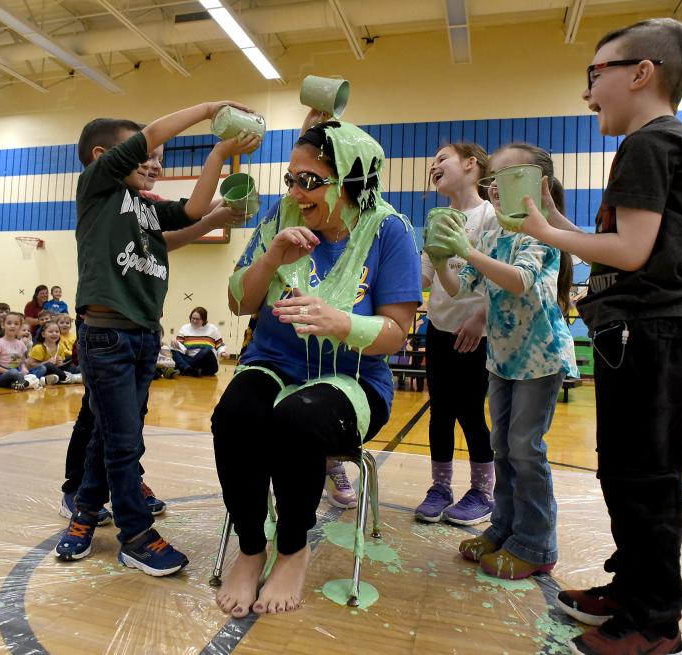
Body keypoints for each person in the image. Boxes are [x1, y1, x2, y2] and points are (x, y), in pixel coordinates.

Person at [513, 19, 682, 655]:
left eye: (596, 74)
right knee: (626, 475)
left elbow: (628, 250)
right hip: (639, 334)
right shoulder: (655, 144)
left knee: (646, 480)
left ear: (641, 73)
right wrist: (556, 220)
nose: (588, 91)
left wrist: (545, 233)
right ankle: (632, 591)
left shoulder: (651, 144)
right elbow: (618, 245)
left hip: (654, 334)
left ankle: (654, 623)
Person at [212, 118, 422, 616]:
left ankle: (291, 548)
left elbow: (396, 333)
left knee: (298, 420)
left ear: (351, 183)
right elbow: (240, 302)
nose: (295, 192)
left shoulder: (390, 232)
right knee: (235, 416)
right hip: (273, 363)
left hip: (354, 380)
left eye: (309, 181)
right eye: (291, 178)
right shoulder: (282, 216)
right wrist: (272, 258)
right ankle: (249, 547)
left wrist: (341, 322)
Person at [52, 101, 260, 577]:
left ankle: (84, 514)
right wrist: (210, 110)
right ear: (106, 156)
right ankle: (135, 534)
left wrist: (222, 154)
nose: (156, 162)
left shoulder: (143, 209)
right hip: (106, 336)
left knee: (114, 436)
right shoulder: (97, 189)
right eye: (147, 154)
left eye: (161, 156)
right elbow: (147, 137)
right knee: (123, 443)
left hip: (144, 338)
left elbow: (190, 211)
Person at [429, 143, 577, 581]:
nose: (494, 188)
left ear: (537, 186)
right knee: (503, 447)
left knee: (525, 450)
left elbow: (519, 282)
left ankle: (536, 544)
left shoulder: (542, 232)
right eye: (493, 179)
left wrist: (467, 250)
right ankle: (504, 529)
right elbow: (459, 288)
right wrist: (441, 261)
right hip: (503, 359)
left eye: (507, 179)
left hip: (540, 360)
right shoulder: (492, 235)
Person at [414, 143, 497, 526]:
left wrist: (481, 317)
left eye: (442, 158)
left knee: (471, 411)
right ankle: (440, 487)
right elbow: (424, 279)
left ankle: (483, 491)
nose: (434, 165)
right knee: (440, 410)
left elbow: (501, 274)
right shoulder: (437, 220)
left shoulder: (491, 216)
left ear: (471, 164)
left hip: (477, 333)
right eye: (432, 162)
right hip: (440, 329)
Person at [171, 307, 227, 377]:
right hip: (190, 358)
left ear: (204, 320)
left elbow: (220, 345)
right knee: (172, 350)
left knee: (207, 349)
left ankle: (185, 368)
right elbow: (179, 347)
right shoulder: (184, 328)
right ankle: (190, 370)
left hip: (208, 365)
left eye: (197, 319)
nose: (194, 321)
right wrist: (174, 341)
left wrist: (223, 352)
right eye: (193, 318)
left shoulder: (212, 329)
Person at [27, 319, 79, 385]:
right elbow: (29, 365)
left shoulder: (60, 347)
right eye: (51, 332)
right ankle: (67, 378)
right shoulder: (39, 347)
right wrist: (47, 362)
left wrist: (60, 362)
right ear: (43, 334)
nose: (54, 334)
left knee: (70, 362)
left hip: (55, 369)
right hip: (42, 370)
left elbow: (60, 365)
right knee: (49, 366)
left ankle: (69, 376)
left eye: (57, 332)